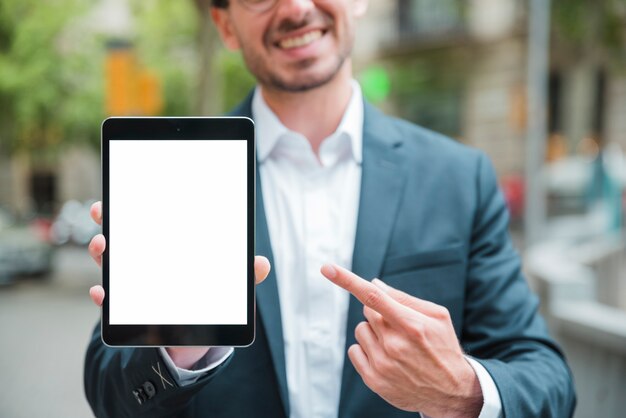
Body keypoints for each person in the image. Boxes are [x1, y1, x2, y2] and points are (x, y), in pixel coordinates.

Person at [84, 0, 576, 417]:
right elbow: (109, 392)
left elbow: (548, 378)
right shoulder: (174, 171)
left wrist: (463, 388)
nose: (297, 9)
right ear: (225, 25)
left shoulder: (458, 177)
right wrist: (180, 342)